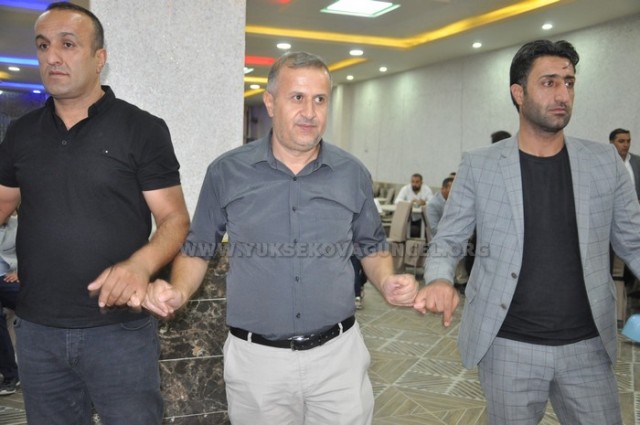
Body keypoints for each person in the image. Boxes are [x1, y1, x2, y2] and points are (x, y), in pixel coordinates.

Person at [142, 51, 426, 425]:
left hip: (338, 358)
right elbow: (198, 249)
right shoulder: (227, 172)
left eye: (320, 99)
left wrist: (387, 280)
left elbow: (371, 246)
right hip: (258, 364)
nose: (310, 111)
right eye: (297, 98)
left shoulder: (352, 173)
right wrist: (178, 291)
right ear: (271, 103)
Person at [414, 39, 637, 424]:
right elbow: (449, 240)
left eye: (569, 82)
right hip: (508, 344)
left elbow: (634, 240)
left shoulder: (604, 162)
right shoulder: (480, 165)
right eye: (549, 83)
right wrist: (438, 279)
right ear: (519, 93)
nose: (563, 94)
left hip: (587, 345)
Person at [0, 3, 190, 423]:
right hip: (38, 332)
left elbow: (175, 220)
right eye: (43, 46)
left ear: (99, 58)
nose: (52, 56)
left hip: (119, 333)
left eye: (68, 44)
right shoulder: (21, 133)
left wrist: (140, 266)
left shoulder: (142, 128)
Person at [0, 213, 19, 395]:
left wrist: (21, 271)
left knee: (34, 302)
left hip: (9, 277)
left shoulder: (17, 224)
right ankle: (11, 375)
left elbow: (34, 251)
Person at [395, 173, 434, 237]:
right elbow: (397, 201)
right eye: (413, 182)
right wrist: (410, 202)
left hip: (422, 219)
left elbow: (432, 203)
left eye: (417, 182)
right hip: (407, 218)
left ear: (421, 182)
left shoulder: (427, 190)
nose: (414, 184)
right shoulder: (406, 188)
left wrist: (424, 203)